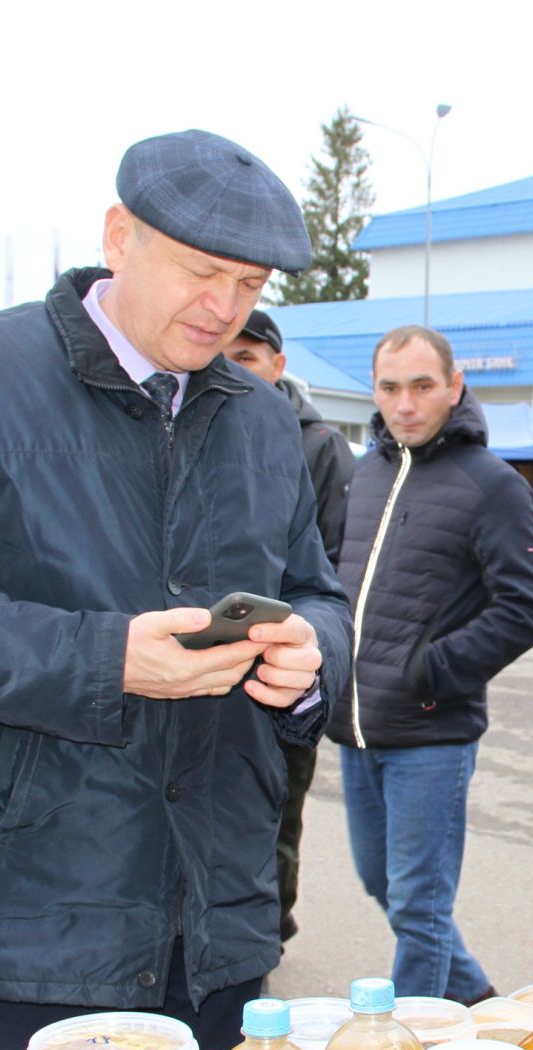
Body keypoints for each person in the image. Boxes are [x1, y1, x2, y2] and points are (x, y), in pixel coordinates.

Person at [0, 129, 353, 1050]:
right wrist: (108, 660)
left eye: (250, 287)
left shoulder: (267, 420)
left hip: (220, 919)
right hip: (29, 920)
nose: (223, 307)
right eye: (204, 271)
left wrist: (310, 658)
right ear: (120, 237)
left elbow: (318, 593)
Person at [329, 325, 533, 1002]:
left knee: (419, 907)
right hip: (357, 729)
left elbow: (526, 608)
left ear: (454, 387)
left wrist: (432, 672)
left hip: (431, 731)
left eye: (422, 386)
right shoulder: (364, 475)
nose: (405, 404)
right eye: (390, 388)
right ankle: (477, 1000)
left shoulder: (492, 484)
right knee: (385, 885)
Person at [225, 307, 355, 945]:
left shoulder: (317, 445)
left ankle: (269, 930)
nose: (233, 366)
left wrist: (301, 640)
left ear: (278, 366)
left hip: (283, 660)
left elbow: (328, 565)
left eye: (248, 357)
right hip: (208, 656)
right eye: (227, 354)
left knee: (277, 809)